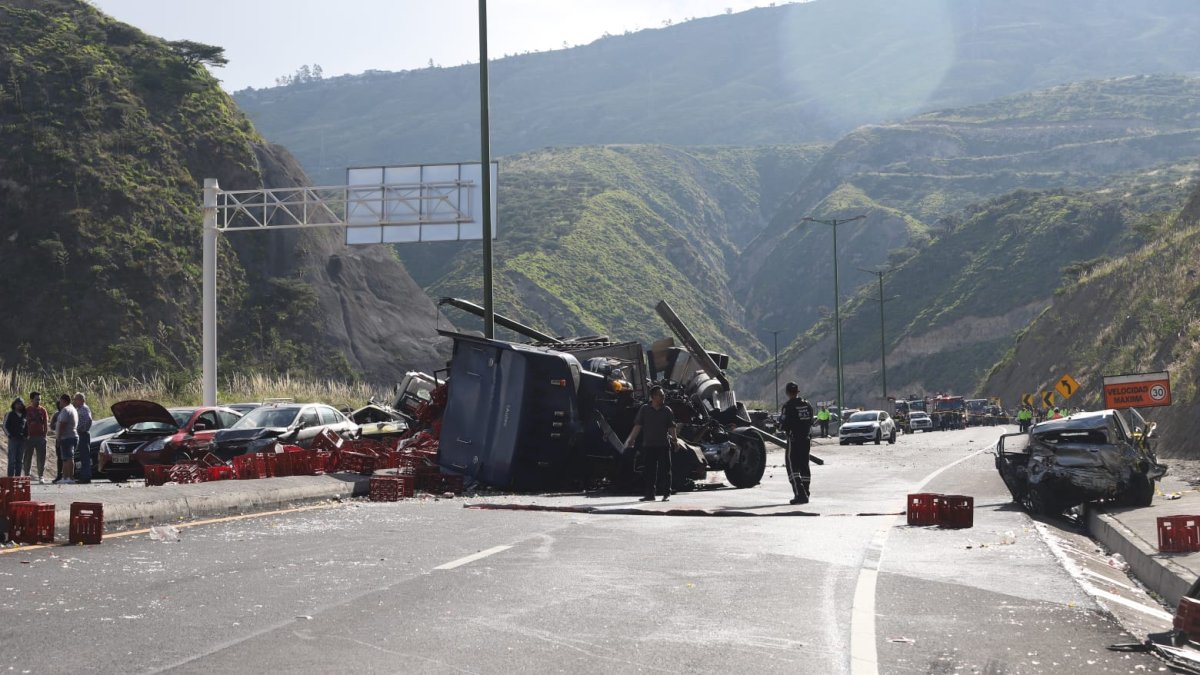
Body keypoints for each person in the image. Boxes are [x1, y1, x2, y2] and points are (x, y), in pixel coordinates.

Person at [624, 385, 677, 502]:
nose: (663, 397)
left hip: (663, 445)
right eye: (660, 395)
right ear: (653, 397)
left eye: (663, 395)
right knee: (649, 471)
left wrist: (675, 440)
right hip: (649, 446)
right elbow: (638, 425)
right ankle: (650, 495)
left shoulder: (667, 410)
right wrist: (631, 439)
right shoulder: (644, 409)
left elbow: (671, 427)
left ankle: (666, 493)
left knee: (666, 471)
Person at [779, 382, 814, 504]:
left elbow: (782, 425)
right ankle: (806, 492)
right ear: (797, 392)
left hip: (794, 440)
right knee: (804, 466)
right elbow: (810, 421)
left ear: (788, 393)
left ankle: (800, 494)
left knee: (792, 467)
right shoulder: (807, 404)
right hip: (806, 439)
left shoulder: (788, 406)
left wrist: (778, 425)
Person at [22, 392, 49, 484]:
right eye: (37, 399)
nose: (38, 401)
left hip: (40, 437)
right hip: (29, 437)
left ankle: (41, 476)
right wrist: (25, 435)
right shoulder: (27, 410)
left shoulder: (43, 410)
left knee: (41, 457)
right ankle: (26, 476)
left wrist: (45, 435)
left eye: (39, 399)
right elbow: (23, 423)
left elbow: (45, 423)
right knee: (27, 457)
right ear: (32, 400)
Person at [54, 394, 79, 484]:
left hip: (67, 437)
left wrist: (59, 437)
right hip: (70, 436)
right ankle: (65, 477)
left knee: (68, 458)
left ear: (64, 401)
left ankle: (70, 478)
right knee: (65, 458)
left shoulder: (66, 410)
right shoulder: (72, 409)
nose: (59, 403)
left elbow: (63, 424)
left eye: (60, 401)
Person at [73, 392, 93, 483]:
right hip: (80, 434)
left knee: (85, 456)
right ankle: (83, 476)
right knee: (82, 456)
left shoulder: (84, 408)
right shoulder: (79, 409)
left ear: (81, 400)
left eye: (76, 399)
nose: (74, 401)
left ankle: (86, 477)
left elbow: (89, 420)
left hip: (83, 434)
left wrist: (83, 429)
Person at [5, 398, 26, 478]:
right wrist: (9, 435)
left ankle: (17, 478)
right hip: (13, 440)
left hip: (22, 440)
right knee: (11, 460)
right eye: (17, 403)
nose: (19, 405)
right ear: (14, 404)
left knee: (19, 461)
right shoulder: (9, 414)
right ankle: (10, 479)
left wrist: (26, 435)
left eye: (21, 404)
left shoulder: (25, 415)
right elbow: (4, 426)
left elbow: (27, 427)